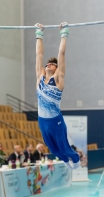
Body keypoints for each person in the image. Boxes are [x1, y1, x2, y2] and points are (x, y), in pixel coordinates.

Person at [35, 22, 80, 169]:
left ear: (56, 69)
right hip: (42, 120)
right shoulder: (39, 77)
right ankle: (65, 160)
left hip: (55, 120)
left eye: (52, 64)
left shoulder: (58, 79)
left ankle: (75, 158)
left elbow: (61, 54)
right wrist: (39, 34)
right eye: (47, 64)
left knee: (64, 146)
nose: (48, 65)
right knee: (53, 149)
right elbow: (39, 54)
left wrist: (63, 33)